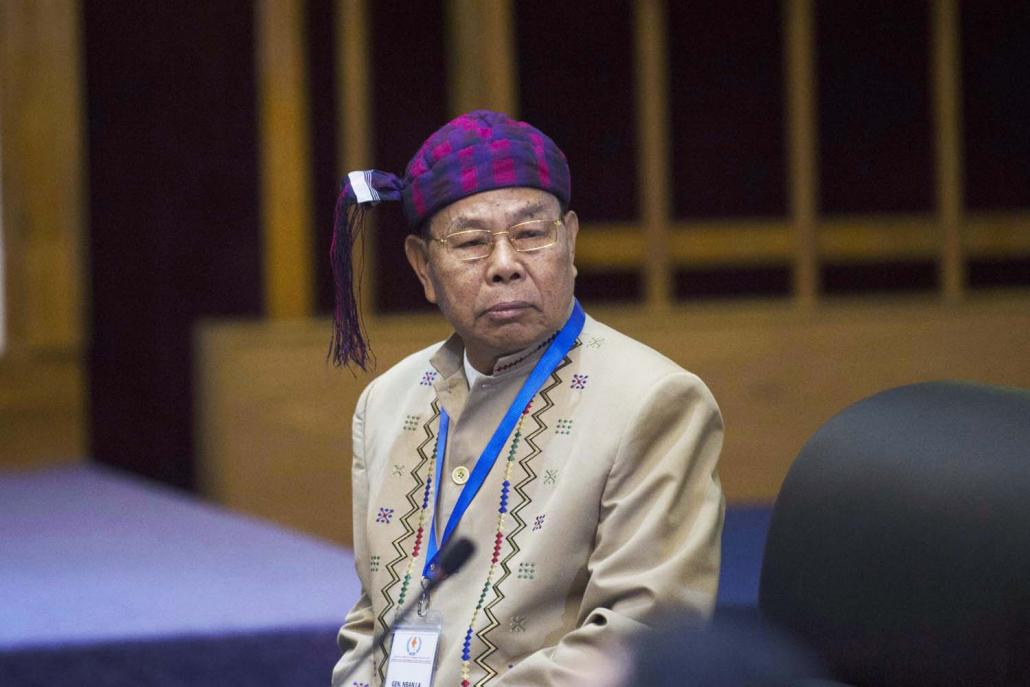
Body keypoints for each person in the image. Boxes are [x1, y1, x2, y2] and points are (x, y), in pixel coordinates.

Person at [328, 110, 724, 687]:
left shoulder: (655, 401)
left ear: (570, 240)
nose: (506, 265)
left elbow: (644, 635)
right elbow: (373, 616)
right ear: (422, 267)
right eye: (469, 242)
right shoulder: (386, 402)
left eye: (531, 234)